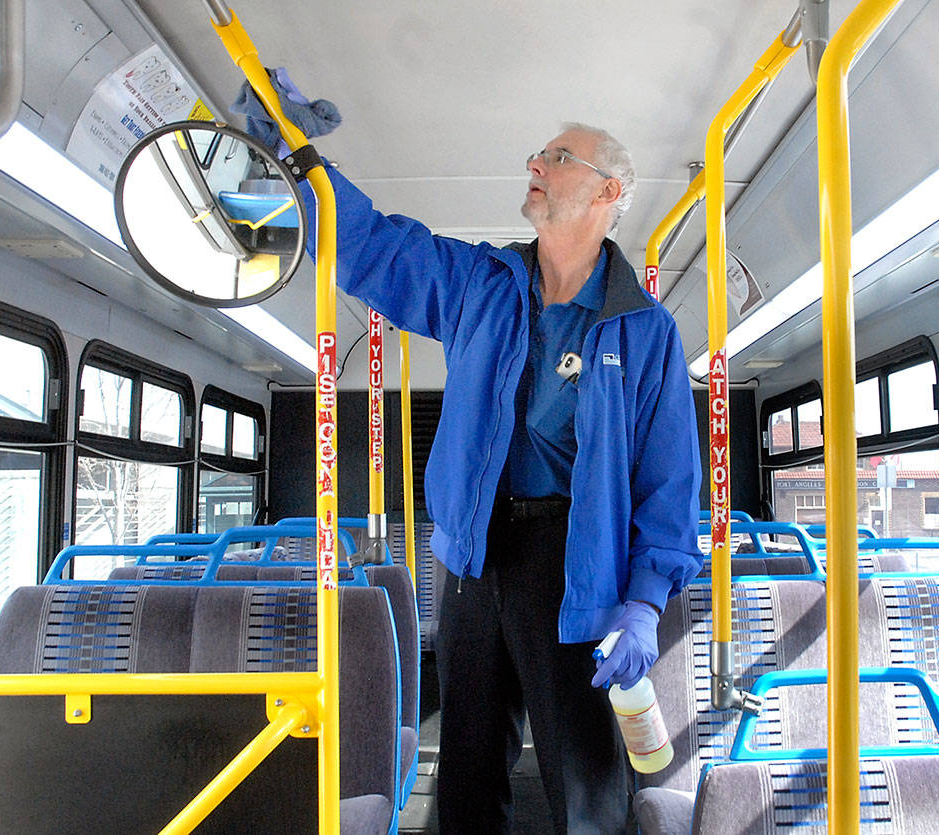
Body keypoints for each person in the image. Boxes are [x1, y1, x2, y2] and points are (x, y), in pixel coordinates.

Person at [292, 115, 703, 832]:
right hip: (473, 559)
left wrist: (643, 603)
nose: (535, 162)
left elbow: (667, 483)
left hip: (575, 564)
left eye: (559, 156)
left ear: (608, 190)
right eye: (541, 153)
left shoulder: (645, 330)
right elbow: (375, 247)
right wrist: (300, 162)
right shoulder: (484, 284)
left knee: (586, 785)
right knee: (468, 772)